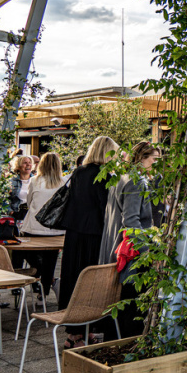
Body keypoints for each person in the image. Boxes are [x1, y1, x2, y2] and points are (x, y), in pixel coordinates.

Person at [58, 136, 118, 348]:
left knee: (73, 280)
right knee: (90, 284)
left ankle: (77, 331)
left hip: (74, 235)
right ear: (106, 152)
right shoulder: (103, 175)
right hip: (94, 236)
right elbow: (106, 209)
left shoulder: (78, 172)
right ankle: (82, 332)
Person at [100, 141, 160, 338]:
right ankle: (128, 341)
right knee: (132, 304)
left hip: (119, 245)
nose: (157, 163)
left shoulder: (122, 177)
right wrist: (148, 253)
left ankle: (118, 338)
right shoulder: (136, 181)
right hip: (132, 252)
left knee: (122, 301)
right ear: (142, 158)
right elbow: (132, 221)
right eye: (154, 159)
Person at [19, 152, 68, 298]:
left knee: (26, 253)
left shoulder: (35, 181)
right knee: (50, 261)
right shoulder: (65, 181)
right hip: (56, 229)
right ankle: (46, 289)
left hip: (34, 227)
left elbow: (29, 202)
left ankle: (46, 283)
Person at [8, 155, 34, 220]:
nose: (28, 165)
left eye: (30, 162)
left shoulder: (37, 181)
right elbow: (4, 199)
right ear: (18, 166)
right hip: (17, 215)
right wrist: (11, 212)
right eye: (25, 163)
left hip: (33, 215)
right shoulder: (11, 181)